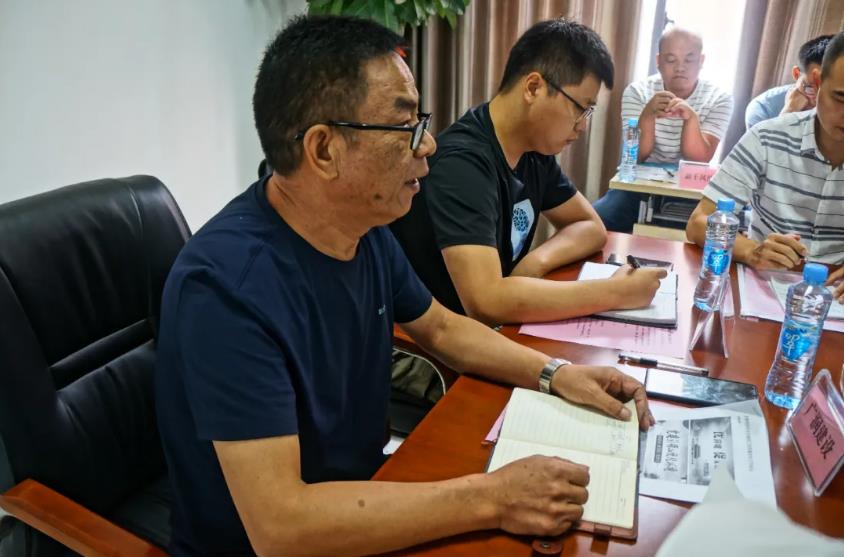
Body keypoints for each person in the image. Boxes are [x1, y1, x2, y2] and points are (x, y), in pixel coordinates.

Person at [155, 15, 655, 557]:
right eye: (404, 127)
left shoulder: (363, 230)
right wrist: (492, 497)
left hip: (364, 493)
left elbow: (441, 328)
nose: (429, 145)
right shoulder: (226, 289)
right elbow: (281, 527)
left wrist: (558, 374)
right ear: (323, 150)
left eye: (422, 122)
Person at [390, 19, 667, 325]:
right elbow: (485, 302)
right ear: (533, 87)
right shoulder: (462, 164)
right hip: (442, 336)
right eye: (581, 108)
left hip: (495, 324)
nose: (583, 126)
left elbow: (590, 226)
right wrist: (615, 293)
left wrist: (535, 263)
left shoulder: (533, 150)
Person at [687, 31, 844, 303]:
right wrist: (752, 251)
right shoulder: (767, 137)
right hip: (764, 292)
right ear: (817, 82)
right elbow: (699, 222)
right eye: (841, 98)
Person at [593, 28, 734, 233]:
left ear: (701, 61)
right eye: (671, 60)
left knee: (703, 233)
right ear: (658, 61)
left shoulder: (719, 98)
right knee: (597, 221)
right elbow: (636, 155)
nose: (680, 68)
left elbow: (700, 158)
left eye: (689, 60)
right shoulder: (638, 91)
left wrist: (691, 119)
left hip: (690, 191)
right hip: (638, 186)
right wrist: (648, 115)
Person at [745, 35, 833, 129]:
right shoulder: (764, 108)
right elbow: (763, 139)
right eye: (811, 89)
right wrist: (788, 112)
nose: (819, 100)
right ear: (796, 74)